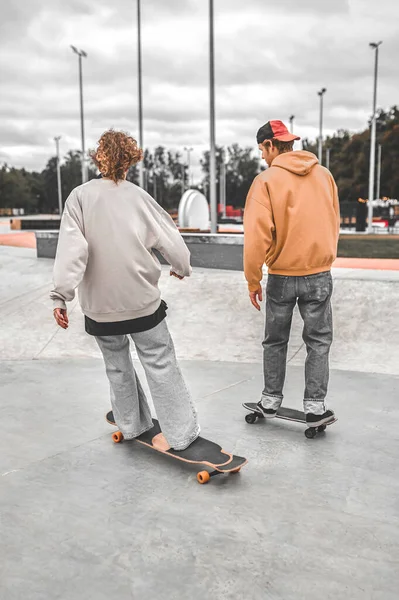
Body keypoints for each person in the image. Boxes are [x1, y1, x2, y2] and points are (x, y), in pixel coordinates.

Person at [51, 129, 200, 450]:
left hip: (99, 310)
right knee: (160, 362)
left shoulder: (79, 197)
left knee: (117, 365)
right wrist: (181, 267)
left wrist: (61, 296)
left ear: (98, 159)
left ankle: (131, 424)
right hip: (142, 305)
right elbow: (170, 238)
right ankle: (181, 434)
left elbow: (70, 252)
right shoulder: (138, 197)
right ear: (130, 161)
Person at [244, 120, 340, 426]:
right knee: (319, 341)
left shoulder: (266, 181)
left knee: (275, 340)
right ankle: (315, 406)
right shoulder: (324, 175)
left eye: (262, 149)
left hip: (282, 276)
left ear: (272, 145)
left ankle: (270, 400)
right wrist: (324, 259)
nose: (262, 156)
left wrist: (253, 280)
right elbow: (333, 222)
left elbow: (256, 236)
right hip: (319, 275)